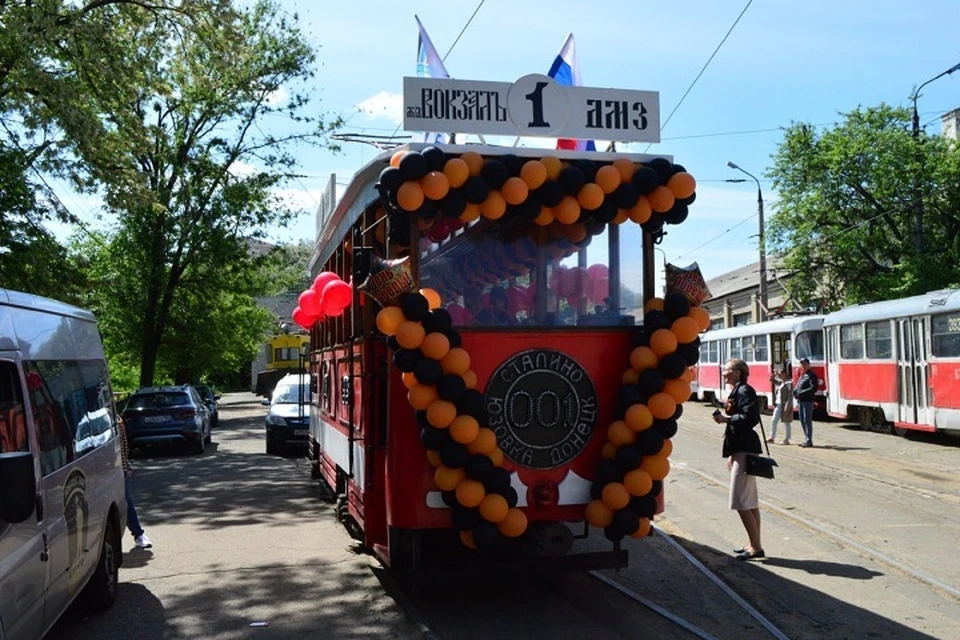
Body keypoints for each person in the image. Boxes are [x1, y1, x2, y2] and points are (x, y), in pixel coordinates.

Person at [713, 358, 764, 561]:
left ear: (737, 372)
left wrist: (726, 419)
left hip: (745, 448)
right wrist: (733, 455)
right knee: (749, 500)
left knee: (739, 500)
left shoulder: (743, 391)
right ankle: (754, 544)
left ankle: (756, 547)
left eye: (726, 370)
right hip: (740, 450)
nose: (724, 373)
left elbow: (751, 417)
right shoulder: (739, 390)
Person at [118, 415, 153, 549]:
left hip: (118, 470)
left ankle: (139, 535)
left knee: (125, 501)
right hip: (97, 471)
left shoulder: (117, 420)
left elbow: (123, 446)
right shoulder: (95, 421)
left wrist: (126, 465)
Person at [794, 357, 818, 447]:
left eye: (804, 364)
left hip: (808, 400)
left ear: (808, 365)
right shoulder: (802, 375)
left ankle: (809, 440)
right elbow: (798, 385)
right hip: (801, 400)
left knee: (807, 420)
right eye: (801, 364)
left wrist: (801, 393)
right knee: (802, 420)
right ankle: (806, 438)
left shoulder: (812, 375)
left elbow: (813, 388)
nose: (803, 366)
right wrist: (795, 391)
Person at [768, 368, 794, 445]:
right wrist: (774, 374)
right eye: (778, 374)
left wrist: (788, 405)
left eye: (780, 374)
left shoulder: (789, 383)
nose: (778, 376)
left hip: (784, 404)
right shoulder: (781, 382)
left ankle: (787, 439)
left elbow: (790, 395)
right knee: (774, 420)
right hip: (778, 404)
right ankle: (772, 437)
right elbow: (771, 380)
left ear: (784, 374)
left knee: (786, 422)